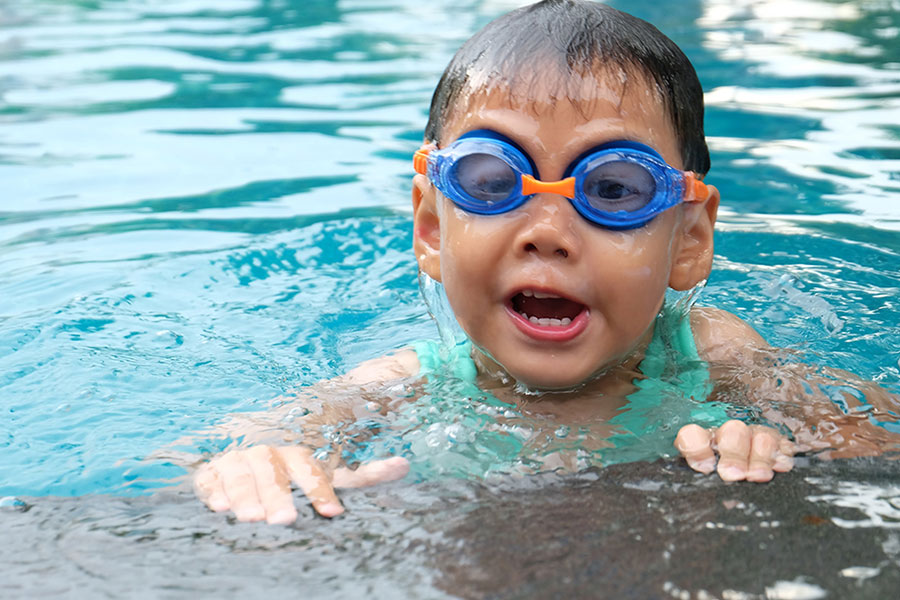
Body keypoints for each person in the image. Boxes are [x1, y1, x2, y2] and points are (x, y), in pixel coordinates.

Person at [192, 0, 898, 525]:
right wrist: (256, 462)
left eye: (614, 188)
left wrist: (775, 451)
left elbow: (874, 446)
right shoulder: (409, 384)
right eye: (492, 182)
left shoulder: (713, 355)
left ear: (687, 241)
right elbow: (241, 444)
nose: (548, 234)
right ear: (433, 225)